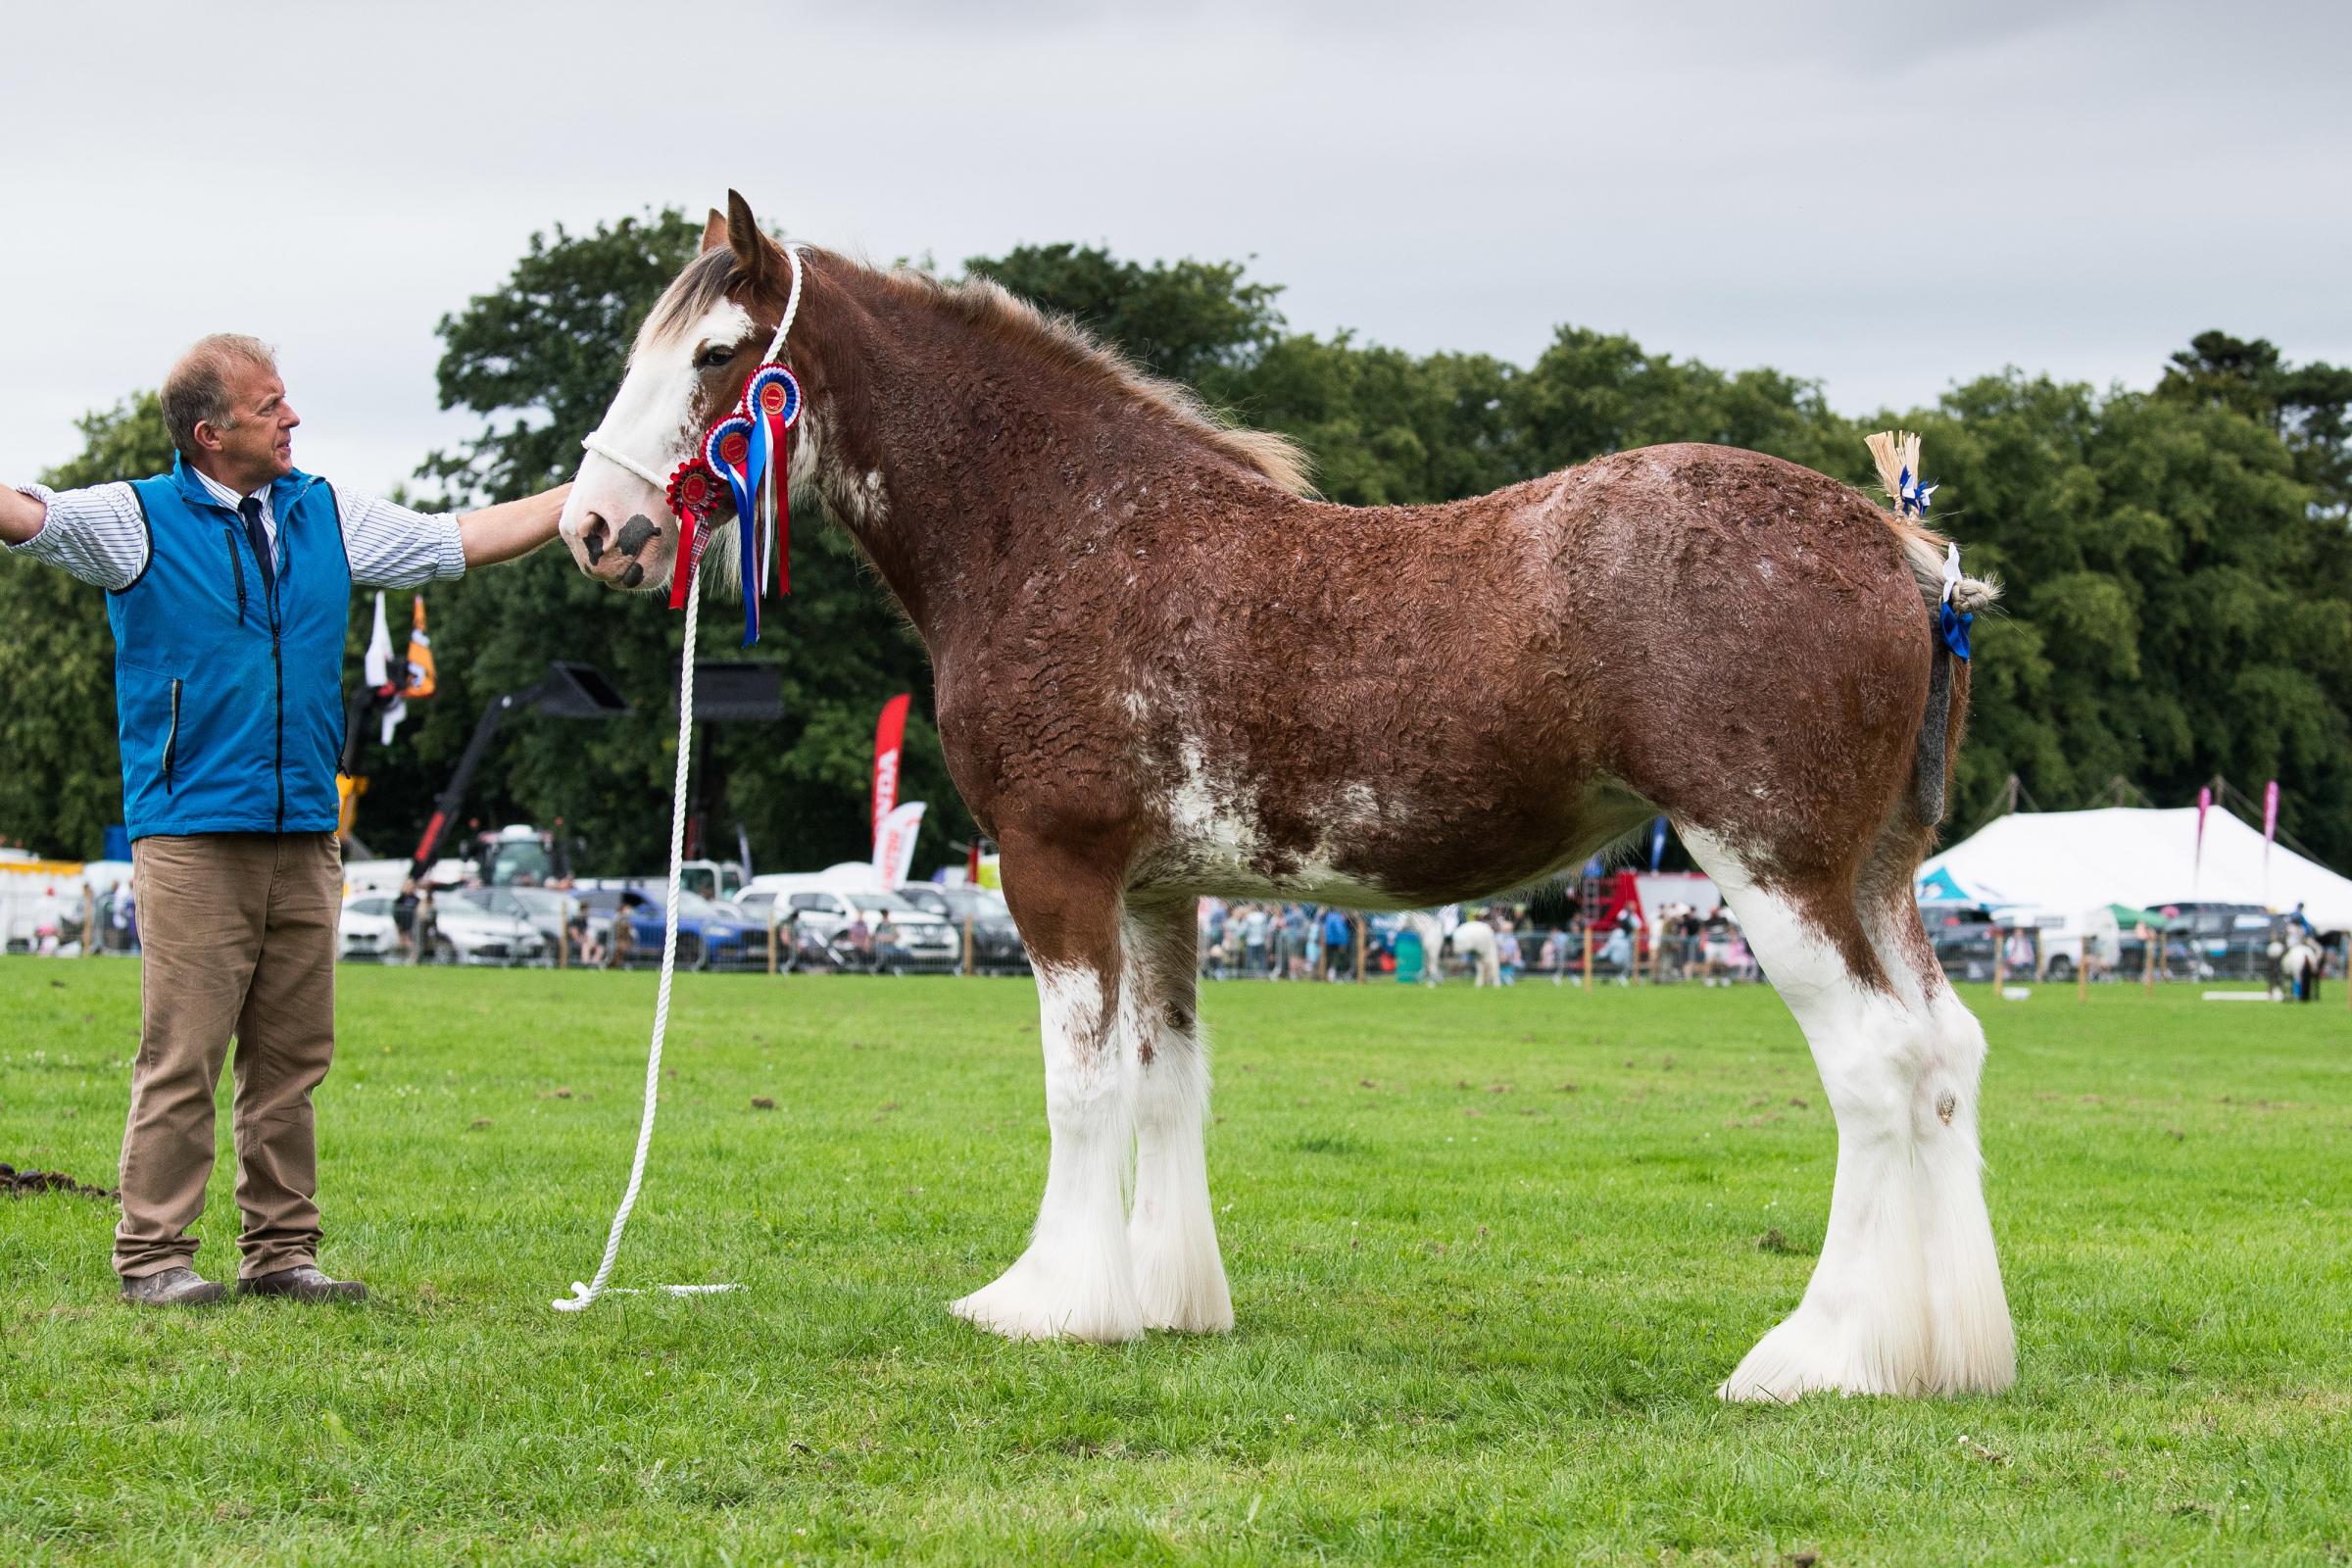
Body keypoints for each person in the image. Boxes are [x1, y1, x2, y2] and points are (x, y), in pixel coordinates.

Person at [2, 333, 569, 1306]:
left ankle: (280, 1255)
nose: (292, 417)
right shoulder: (135, 517)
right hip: (190, 834)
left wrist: (589, 490)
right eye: (271, 407)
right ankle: (154, 1260)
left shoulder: (325, 513)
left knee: (292, 1059)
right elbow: (25, 514)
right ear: (210, 432)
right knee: (183, 1054)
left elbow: (458, 537)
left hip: (306, 829)